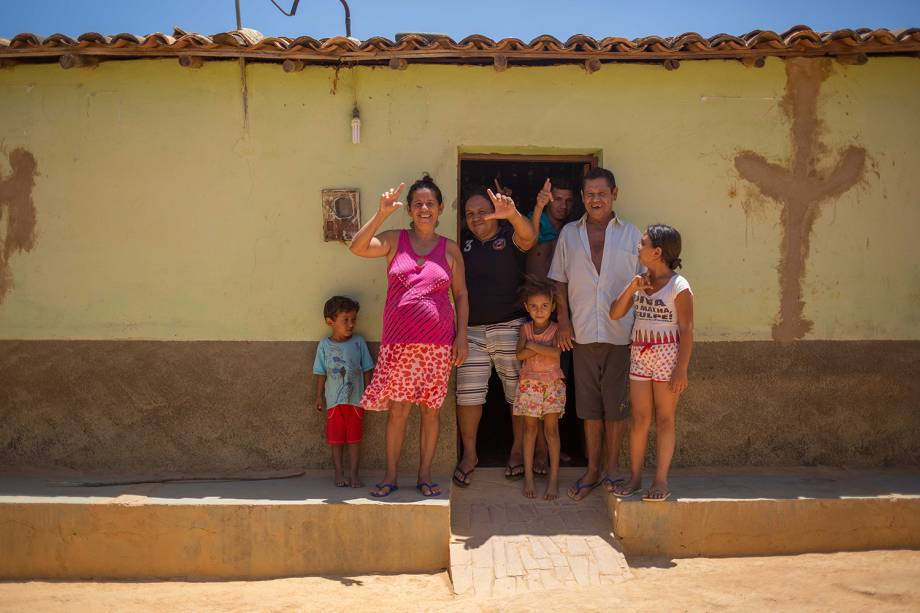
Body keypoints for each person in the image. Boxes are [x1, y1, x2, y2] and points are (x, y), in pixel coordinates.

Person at [349, 175, 469, 498]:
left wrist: (461, 338)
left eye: (430, 203)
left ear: (440, 208)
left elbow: (461, 296)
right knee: (398, 411)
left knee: (431, 412)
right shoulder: (394, 239)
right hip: (399, 346)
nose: (424, 209)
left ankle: (425, 476)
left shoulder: (450, 249)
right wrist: (381, 213)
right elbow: (357, 247)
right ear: (411, 210)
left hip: (438, 347)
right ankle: (390, 476)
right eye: (418, 204)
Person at [548, 166, 643, 501]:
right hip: (583, 332)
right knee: (588, 407)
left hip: (621, 333)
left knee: (615, 408)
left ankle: (613, 468)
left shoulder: (633, 236)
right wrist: (563, 319)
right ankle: (592, 470)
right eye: (590, 195)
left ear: (614, 194)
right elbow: (558, 278)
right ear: (583, 198)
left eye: (602, 193)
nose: (596, 200)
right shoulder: (569, 235)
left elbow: (643, 284)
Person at [452, 186, 537, 488]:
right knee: (469, 395)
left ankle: (516, 450)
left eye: (482, 211)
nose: (476, 218)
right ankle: (470, 455)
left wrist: (512, 214)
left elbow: (529, 236)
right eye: (470, 214)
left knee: (516, 394)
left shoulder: (510, 237)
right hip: (471, 331)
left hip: (510, 327)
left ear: (496, 213)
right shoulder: (463, 246)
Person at [609, 224, 693, 502]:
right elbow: (615, 314)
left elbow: (686, 329)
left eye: (642, 243)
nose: (638, 246)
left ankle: (660, 480)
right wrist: (633, 285)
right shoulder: (641, 283)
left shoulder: (679, 287)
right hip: (640, 356)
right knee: (640, 418)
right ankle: (635, 478)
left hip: (667, 357)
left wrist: (681, 368)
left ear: (657, 252)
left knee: (665, 418)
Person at [313, 295, 375, 488]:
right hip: (333, 402)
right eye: (345, 320)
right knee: (336, 440)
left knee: (355, 439)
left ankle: (355, 474)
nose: (351, 325)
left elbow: (367, 368)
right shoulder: (324, 345)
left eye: (353, 320)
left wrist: (368, 393)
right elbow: (320, 372)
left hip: (356, 401)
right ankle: (339, 472)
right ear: (330, 322)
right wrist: (318, 396)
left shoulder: (358, 342)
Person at [514, 276, 565, 500]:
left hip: (552, 384)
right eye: (533, 306)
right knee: (530, 430)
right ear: (526, 307)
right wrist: (539, 348)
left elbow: (556, 354)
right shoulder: (524, 328)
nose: (539, 310)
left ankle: (553, 480)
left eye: (545, 306)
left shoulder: (556, 330)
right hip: (529, 384)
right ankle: (528, 478)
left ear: (553, 307)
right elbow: (519, 354)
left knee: (552, 431)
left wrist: (533, 345)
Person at [526, 177, 576, 280]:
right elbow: (529, 238)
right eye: (558, 199)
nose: (564, 206)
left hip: (560, 293)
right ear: (548, 200)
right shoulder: (535, 220)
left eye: (569, 201)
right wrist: (539, 206)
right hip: (534, 291)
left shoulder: (572, 229)